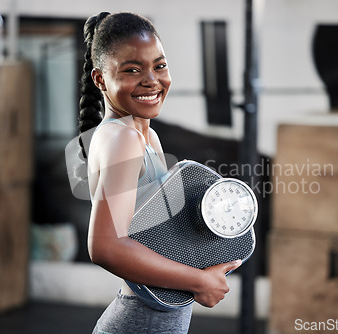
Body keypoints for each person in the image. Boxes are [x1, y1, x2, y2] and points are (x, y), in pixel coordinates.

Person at [77, 12, 241, 334]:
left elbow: (161, 238)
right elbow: (106, 247)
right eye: (132, 70)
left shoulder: (145, 136)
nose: (151, 80)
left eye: (160, 65)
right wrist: (199, 281)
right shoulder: (122, 138)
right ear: (100, 80)